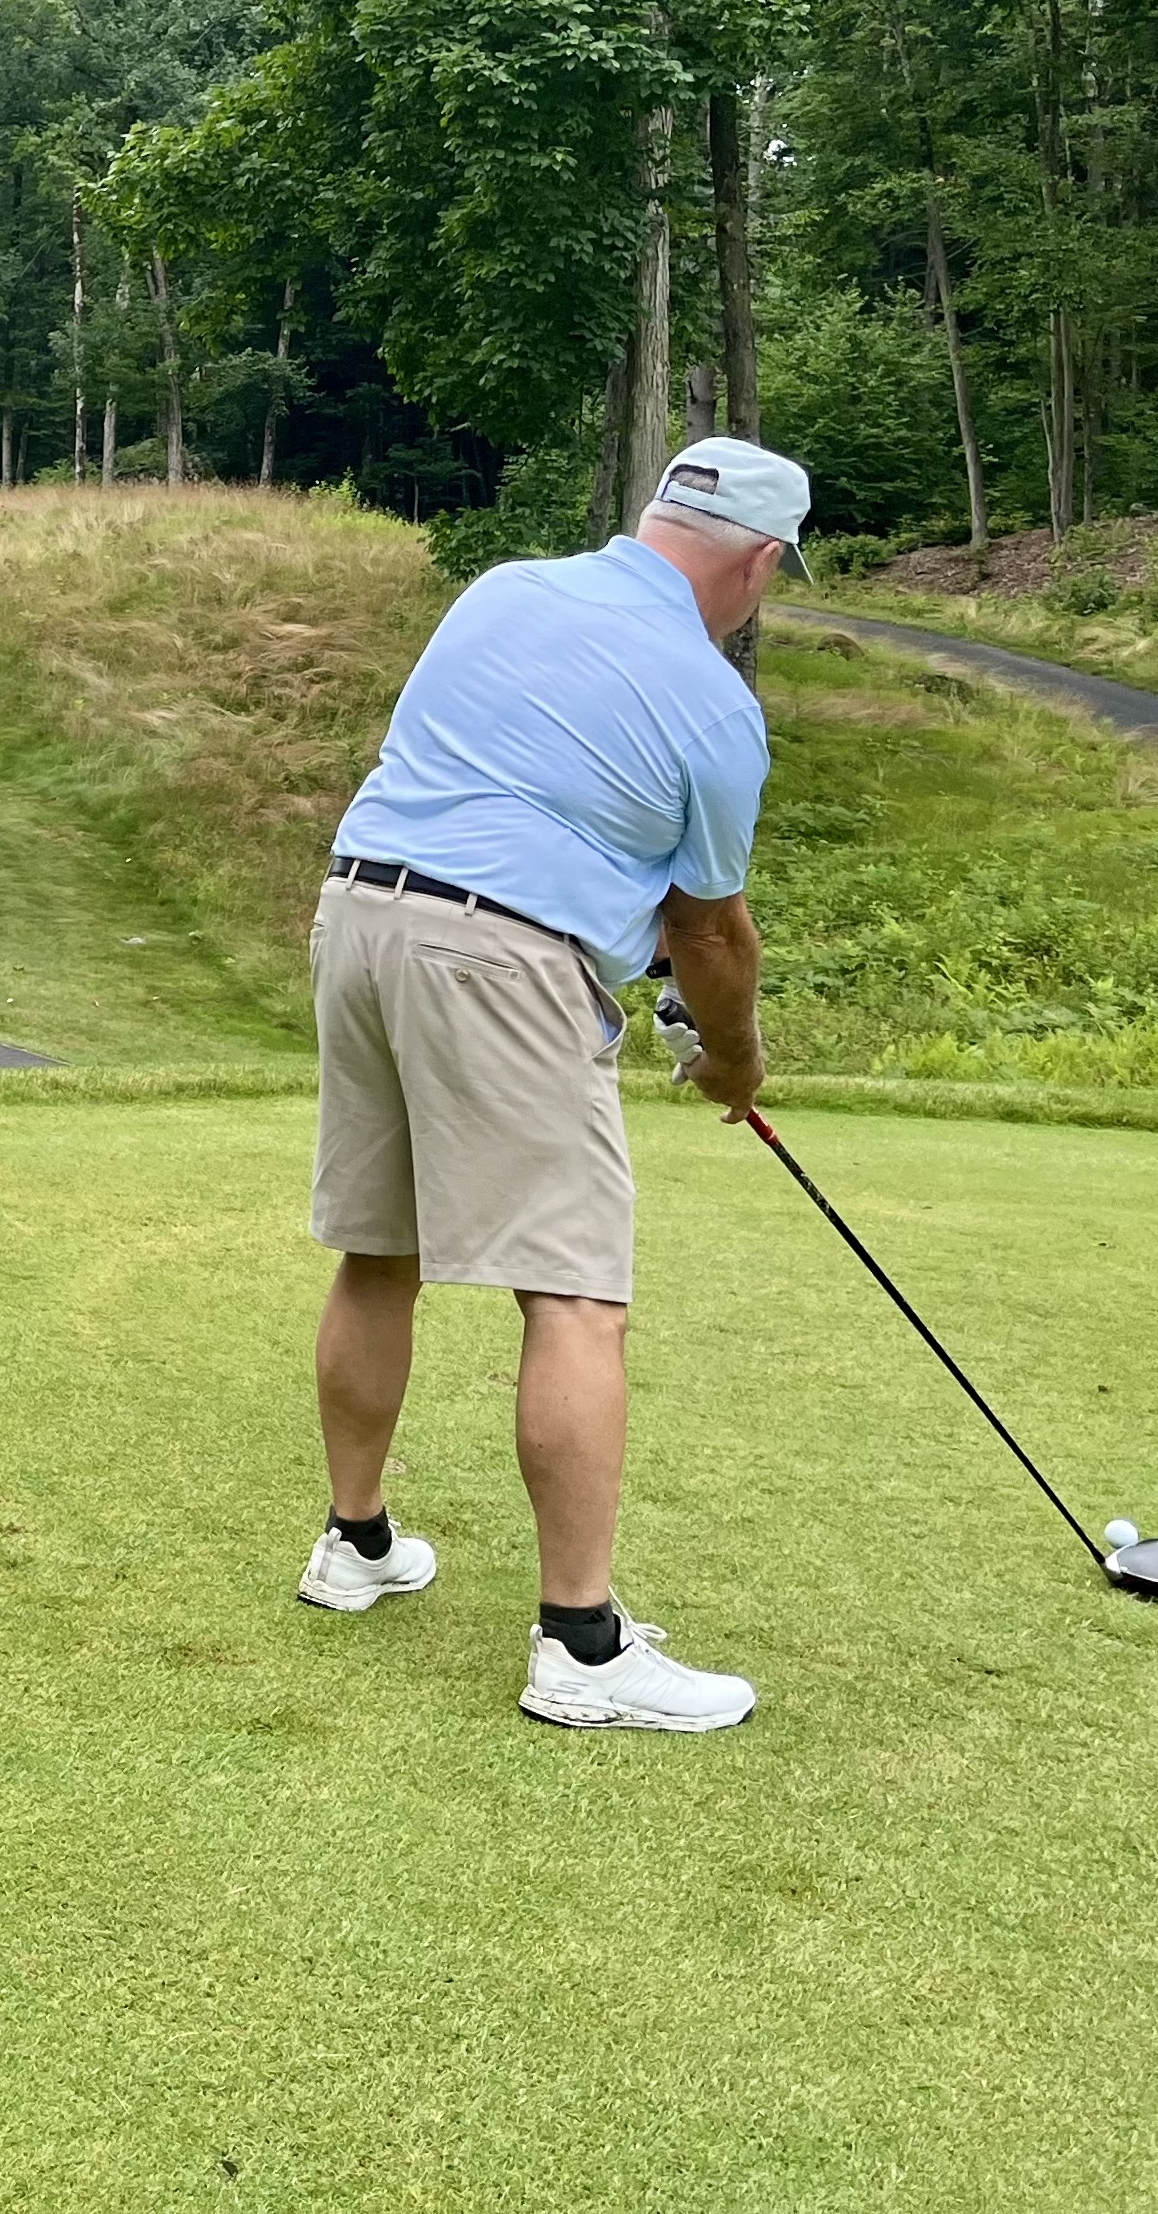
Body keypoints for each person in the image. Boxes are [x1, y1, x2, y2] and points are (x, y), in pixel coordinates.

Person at [289, 437, 808, 1731]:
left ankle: (355, 1547)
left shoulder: (505, 587)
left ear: (652, 519)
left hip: (359, 914)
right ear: (755, 562)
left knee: (378, 1248)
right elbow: (712, 935)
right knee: (578, 1295)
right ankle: (582, 1647)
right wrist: (733, 1062)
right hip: (501, 954)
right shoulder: (714, 703)